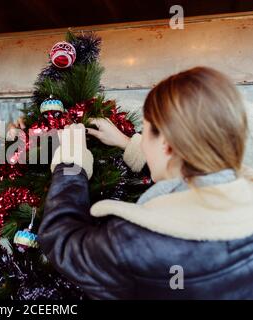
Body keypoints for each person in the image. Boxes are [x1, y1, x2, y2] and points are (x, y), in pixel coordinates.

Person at [39, 66, 253, 299]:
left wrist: (70, 165)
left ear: (168, 146)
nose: (143, 140)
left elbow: (61, 241)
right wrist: (126, 143)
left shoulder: (135, 242)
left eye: (147, 130)